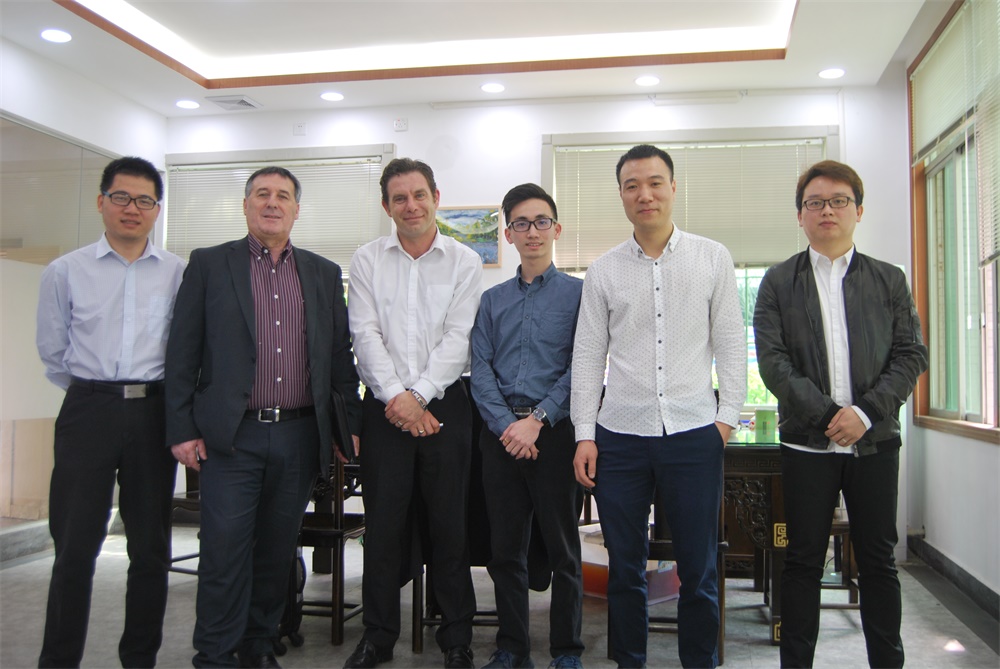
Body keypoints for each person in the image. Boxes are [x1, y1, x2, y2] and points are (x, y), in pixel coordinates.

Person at [165, 166, 362, 669]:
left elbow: (338, 358)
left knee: (276, 551)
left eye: (283, 195)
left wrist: (348, 430)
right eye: (262, 194)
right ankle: (214, 655)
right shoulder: (209, 264)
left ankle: (257, 646)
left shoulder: (322, 273)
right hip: (232, 437)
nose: (272, 203)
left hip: (299, 434)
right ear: (246, 205)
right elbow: (182, 352)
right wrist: (182, 428)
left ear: (297, 209)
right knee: (224, 552)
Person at [571, 144, 746, 669]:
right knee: (625, 569)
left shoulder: (712, 257)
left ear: (673, 187)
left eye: (654, 183)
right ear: (621, 195)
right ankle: (630, 662)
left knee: (699, 568)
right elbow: (588, 356)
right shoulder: (603, 271)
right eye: (632, 185)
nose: (644, 194)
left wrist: (725, 421)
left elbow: (731, 343)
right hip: (620, 437)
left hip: (694, 433)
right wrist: (584, 433)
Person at [753, 160, 928, 669]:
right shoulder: (778, 282)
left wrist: (865, 414)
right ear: (800, 215)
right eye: (815, 203)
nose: (827, 210)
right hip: (807, 447)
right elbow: (773, 364)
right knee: (802, 562)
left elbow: (910, 354)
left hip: (875, 443)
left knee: (877, 562)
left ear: (858, 210)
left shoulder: (888, 279)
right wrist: (833, 415)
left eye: (838, 201)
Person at [35, 156, 186, 668]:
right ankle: (58, 660)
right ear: (101, 202)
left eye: (144, 200)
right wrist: (96, 394)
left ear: (157, 209)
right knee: (74, 548)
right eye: (121, 197)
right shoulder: (65, 271)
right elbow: (54, 352)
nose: (131, 209)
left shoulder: (178, 273)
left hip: (154, 413)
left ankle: (139, 659)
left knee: (150, 550)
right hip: (88, 411)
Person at [344, 157, 482, 669]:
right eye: (399, 198)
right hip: (384, 407)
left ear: (435, 198)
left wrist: (418, 396)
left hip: (446, 404)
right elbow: (364, 334)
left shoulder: (464, 261)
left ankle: (456, 639)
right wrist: (398, 398)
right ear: (386, 206)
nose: (411, 205)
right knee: (383, 527)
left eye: (419, 194)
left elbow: (459, 338)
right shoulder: (367, 259)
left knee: (450, 526)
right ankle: (378, 637)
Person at [470, 183, 585, 669]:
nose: (532, 231)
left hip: (555, 434)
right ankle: (512, 648)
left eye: (541, 221)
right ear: (509, 233)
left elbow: (583, 367)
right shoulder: (491, 300)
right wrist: (507, 427)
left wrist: (537, 420)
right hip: (500, 438)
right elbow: (480, 370)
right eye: (521, 223)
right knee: (505, 552)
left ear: (556, 229)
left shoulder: (581, 295)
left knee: (564, 551)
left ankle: (567, 650)